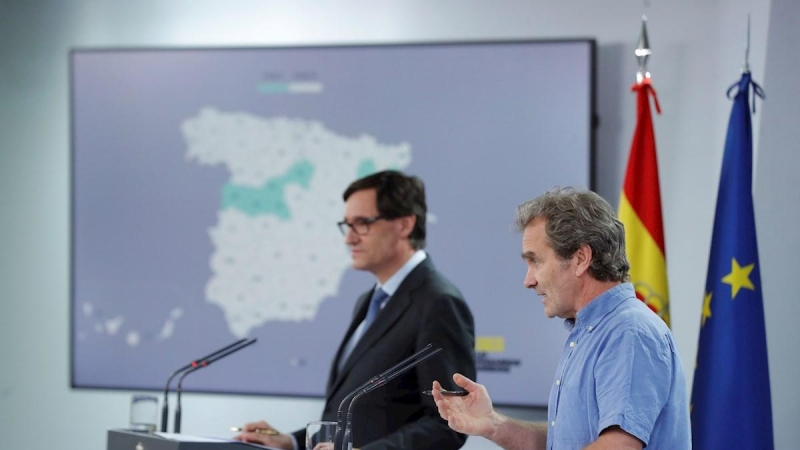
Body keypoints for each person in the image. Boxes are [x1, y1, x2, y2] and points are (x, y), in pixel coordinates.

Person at [432, 187, 690, 450]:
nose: (528, 280)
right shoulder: (591, 332)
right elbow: (562, 443)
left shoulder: (629, 331)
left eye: (535, 261)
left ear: (580, 259)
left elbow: (618, 446)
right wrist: (492, 423)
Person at [236, 170, 476, 450]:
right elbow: (361, 418)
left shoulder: (438, 303)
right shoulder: (369, 301)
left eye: (362, 223)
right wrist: (290, 441)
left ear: (405, 225)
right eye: (346, 225)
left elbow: (447, 424)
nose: (349, 239)